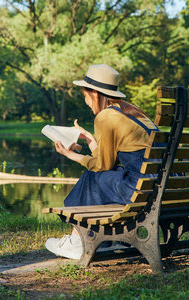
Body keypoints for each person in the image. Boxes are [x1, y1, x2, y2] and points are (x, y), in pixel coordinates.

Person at [45, 64, 158, 259]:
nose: (87, 103)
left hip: (140, 187)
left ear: (95, 95)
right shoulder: (133, 112)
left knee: (92, 177)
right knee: (103, 176)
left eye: (86, 97)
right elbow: (109, 162)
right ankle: (104, 238)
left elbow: (102, 167)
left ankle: (77, 241)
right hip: (160, 183)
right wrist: (91, 140)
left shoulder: (106, 116)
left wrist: (70, 155)